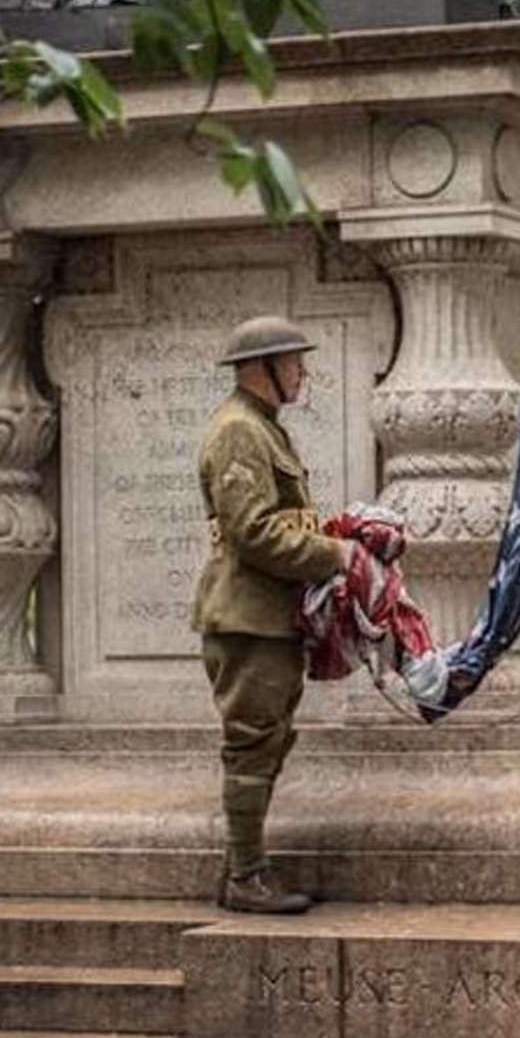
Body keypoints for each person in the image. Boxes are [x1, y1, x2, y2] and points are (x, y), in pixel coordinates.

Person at [193, 315, 352, 915]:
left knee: (266, 743)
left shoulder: (263, 429)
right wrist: (335, 555)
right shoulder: (239, 431)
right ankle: (245, 876)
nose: (303, 372)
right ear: (263, 370)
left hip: (269, 620)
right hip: (247, 620)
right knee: (253, 744)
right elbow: (253, 531)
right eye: (294, 363)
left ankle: (245, 868)